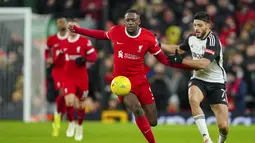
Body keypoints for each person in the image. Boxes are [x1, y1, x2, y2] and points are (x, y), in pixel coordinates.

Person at [68, 9, 191, 143]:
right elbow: (100, 34)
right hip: (121, 82)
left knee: (153, 121)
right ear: (125, 21)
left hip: (141, 81)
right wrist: (78, 30)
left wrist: (185, 64)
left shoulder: (148, 37)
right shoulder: (116, 31)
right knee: (136, 109)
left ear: (139, 22)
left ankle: (145, 125)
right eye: (128, 20)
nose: (130, 23)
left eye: (133, 20)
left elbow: (163, 60)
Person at [162, 11, 229, 143]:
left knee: (224, 126)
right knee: (193, 99)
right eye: (195, 25)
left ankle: (221, 141)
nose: (196, 28)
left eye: (200, 25)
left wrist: (181, 61)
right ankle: (207, 139)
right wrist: (158, 44)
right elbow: (178, 49)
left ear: (208, 26)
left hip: (216, 83)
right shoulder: (192, 38)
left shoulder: (213, 41)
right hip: (199, 79)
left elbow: (203, 63)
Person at [61, 19, 97, 141]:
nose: (72, 30)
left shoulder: (84, 41)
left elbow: (94, 56)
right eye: (70, 27)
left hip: (81, 78)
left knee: (81, 105)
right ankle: (71, 123)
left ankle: (79, 126)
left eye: (75, 27)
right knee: (70, 101)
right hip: (68, 77)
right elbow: (60, 58)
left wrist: (84, 58)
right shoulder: (63, 42)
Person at [45, 17, 69, 137]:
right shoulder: (52, 39)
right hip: (57, 70)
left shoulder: (71, 38)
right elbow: (46, 51)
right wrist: (48, 58)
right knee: (61, 93)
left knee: (67, 97)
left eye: (62, 22)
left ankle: (59, 115)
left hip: (70, 70)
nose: (60, 25)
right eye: (58, 23)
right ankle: (58, 118)